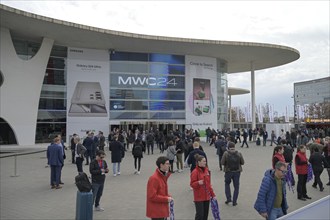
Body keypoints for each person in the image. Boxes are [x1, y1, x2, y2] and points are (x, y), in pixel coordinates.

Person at [190, 154, 216, 220]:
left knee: (205, 215)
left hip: (207, 197)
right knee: (200, 215)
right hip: (199, 197)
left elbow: (209, 184)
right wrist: (198, 182)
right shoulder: (195, 172)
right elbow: (192, 184)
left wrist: (213, 195)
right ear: (199, 162)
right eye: (203, 161)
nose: (205, 162)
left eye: (205, 161)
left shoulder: (207, 171)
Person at [221, 141, 244, 206]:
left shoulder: (226, 153)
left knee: (227, 184)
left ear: (228, 147)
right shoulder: (239, 153)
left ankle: (228, 198)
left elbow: (222, 163)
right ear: (234, 147)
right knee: (236, 187)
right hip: (237, 172)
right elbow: (242, 162)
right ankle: (234, 201)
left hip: (228, 171)